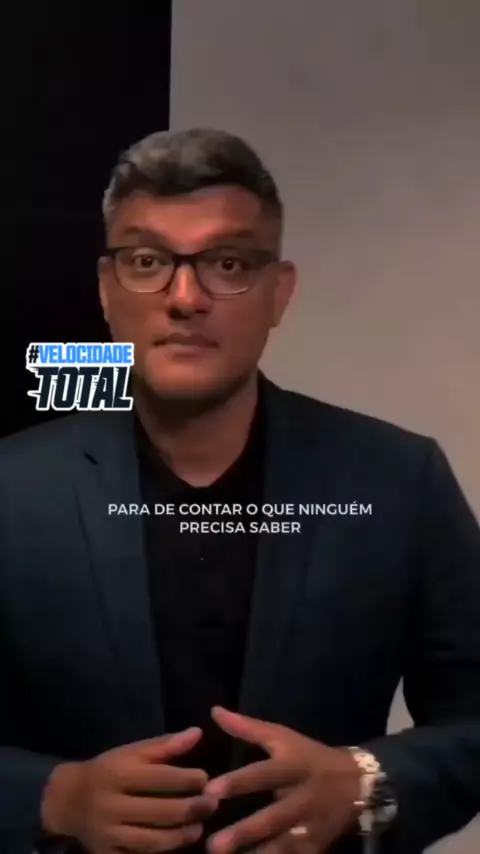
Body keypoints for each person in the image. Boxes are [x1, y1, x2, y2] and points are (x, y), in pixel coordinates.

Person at [1, 127, 480, 854]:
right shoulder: (12, 491)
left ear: (278, 292)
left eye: (226, 263)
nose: (185, 297)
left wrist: (367, 783)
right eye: (147, 262)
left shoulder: (398, 480)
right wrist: (52, 798)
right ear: (106, 288)